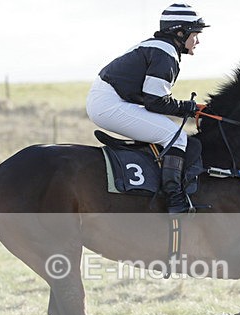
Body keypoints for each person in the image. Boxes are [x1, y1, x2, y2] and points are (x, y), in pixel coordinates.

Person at [86, 3, 208, 214]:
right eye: (195, 33)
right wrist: (188, 108)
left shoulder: (159, 47)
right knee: (176, 137)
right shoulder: (165, 52)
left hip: (110, 101)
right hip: (111, 104)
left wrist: (187, 108)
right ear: (180, 32)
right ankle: (175, 198)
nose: (197, 40)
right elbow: (156, 102)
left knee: (165, 132)